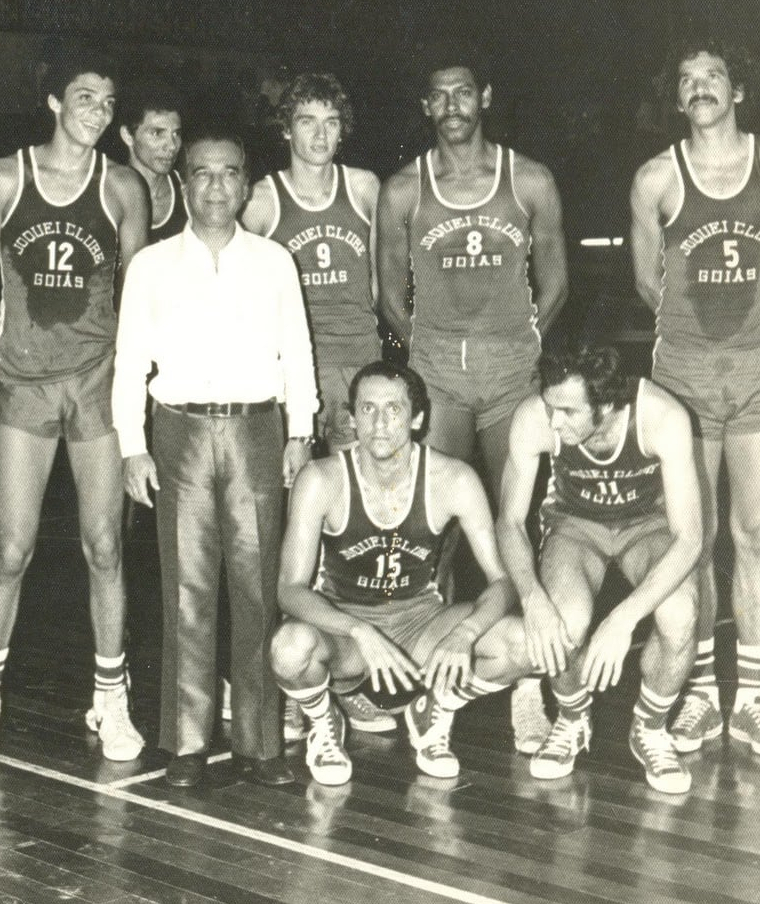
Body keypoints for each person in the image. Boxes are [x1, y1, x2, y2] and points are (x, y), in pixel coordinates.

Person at [0, 49, 150, 769]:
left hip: (96, 384)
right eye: (85, 97)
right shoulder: (6, 177)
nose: (97, 111)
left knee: (105, 546)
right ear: (53, 102)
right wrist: (5, 355)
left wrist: (127, 375)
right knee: (12, 549)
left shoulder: (124, 187)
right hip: (27, 386)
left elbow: (139, 294)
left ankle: (112, 698)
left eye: (107, 101)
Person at [375, 42, 568, 753]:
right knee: (438, 529)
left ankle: (524, 685)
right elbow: (388, 295)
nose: (452, 106)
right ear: (426, 108)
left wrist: (523, 342)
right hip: (441, 378)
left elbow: (556, 281)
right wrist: (428, 352)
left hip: (513, 376)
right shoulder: (404, 188)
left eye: (464, 93)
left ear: (484, 97)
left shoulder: (531, 180)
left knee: (520, 526)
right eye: (439, 96)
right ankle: (438, 679)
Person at [629, 37, 760, 758]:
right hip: (683, 376)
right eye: (687, 79)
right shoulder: (655, 179)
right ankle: (703, 696)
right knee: (695, 539)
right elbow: (649, 282)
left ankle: (756, 701)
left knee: (757, 536)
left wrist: (754, 328)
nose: (701, 87)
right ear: (676, 99)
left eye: (714, 76)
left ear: (739, 89)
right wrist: (699, 340)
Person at [113, 124, 317, 788]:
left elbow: (298, 351)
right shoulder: (150, 264)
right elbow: (127, 365)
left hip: (258, 429)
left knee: (258, 589)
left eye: (229, 173)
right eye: (201, 172)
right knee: (189, 591)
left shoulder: (274, 261)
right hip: (182, 435)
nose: (215, 186)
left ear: (246, 183)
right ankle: (188, 743)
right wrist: (132, 446)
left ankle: (262, 743)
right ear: (186, 180)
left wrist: (299, 430)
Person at [271, 361, 530, 785]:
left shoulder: (454, 479)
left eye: (394, 409)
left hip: (420, 628)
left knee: (522, 645)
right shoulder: (321, 479)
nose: (379, 423)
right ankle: (324, 722)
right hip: (345, 636)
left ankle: (435, 710)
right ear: (351, 419)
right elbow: (289, 590)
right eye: (367, 409)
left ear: (418, 418)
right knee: (288, 648)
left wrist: (465, 635)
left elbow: (502, 581)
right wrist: (358, 630)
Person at [241, 74, 396, 739]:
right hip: (296, 381)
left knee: (350, 529)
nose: (319, 134)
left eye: (331, 121)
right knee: (290, 533)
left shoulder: (365, 189)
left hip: (361, 374)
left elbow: (394, 276)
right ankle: (288, 685)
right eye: (306, 121)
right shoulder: (262, 200)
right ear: (285, 127)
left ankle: (343, 677)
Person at [496, 345, 701, 793]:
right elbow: (509, 522)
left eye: (568, 412)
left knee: (680, 616)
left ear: (606, 406)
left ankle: (650, 727)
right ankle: (572, 717)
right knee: (562, 622)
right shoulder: (535, 417)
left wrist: (624, 618)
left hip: (647, 526)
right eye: (551, 407)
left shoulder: (662, 417)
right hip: (576, 527)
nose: (555, 421)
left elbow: (690, 540)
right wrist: (531, 598)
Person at [118, 80, 187, 243]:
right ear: (128, 135)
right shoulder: (106, 192)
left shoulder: (188, 191)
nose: (171, 146)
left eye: (176, 134)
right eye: (157, 133)